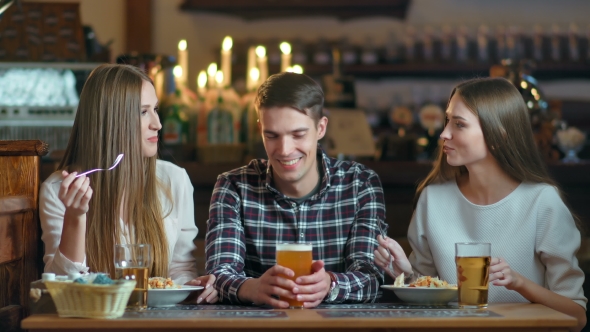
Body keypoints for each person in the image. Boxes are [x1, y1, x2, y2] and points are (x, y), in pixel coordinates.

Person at [374, 77, 586, 331]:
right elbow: (428, 304)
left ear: (499, 134)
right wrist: (407, 275)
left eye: (459, 124)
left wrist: (519, 283)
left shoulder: (542, 202)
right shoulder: (432, 199)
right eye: (447, 121)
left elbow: (577, 316)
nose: (444, 133)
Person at [39, 64, 218, 304]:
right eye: (143, 112)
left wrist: (193, 286)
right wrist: (76, 216)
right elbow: (60, 288)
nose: (157, 124)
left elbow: (180, 269)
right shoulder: (57, 189)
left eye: (155, 109)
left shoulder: (175, 180)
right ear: (111, 120)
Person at [205, 72, 386, 308]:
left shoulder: (361, 184)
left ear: (321, 128)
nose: (285, 149)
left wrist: (330, 284)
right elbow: (218, 273)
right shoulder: (233, 186)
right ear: (260, 129)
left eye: (298, 134)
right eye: (272, 136)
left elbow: (372, 276)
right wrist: (253, 288)